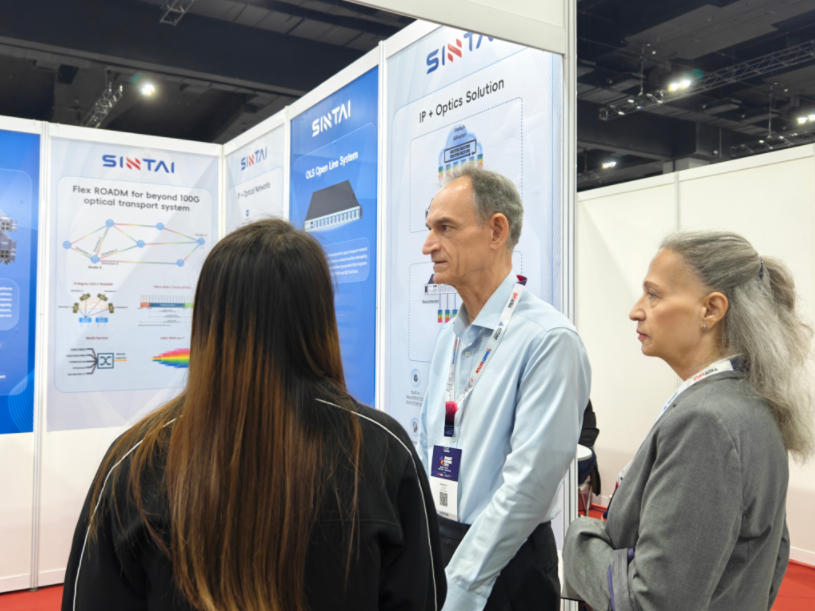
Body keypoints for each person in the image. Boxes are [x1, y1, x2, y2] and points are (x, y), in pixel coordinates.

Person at [62, 219, 446, 611]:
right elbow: (421, 598)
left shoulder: (136, 461)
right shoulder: (383, 450)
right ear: (320, 315)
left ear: (209, 319)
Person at [564, 231, 814, 611]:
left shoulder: (707, 422)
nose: (636, 309)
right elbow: (770, 557)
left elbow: (653, 601)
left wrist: (580, 539)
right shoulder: (750, 404)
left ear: (711, 310)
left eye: (654, 294)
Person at [419, 167, 591, 610]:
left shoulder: (548, 340)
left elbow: (527, 490)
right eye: (429, 229)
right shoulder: (449, 339)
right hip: (442, 547)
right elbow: (429, 444)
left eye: (445, 228)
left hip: (506, 570)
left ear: (497, 230)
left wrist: (457, 588)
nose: (428, 245)